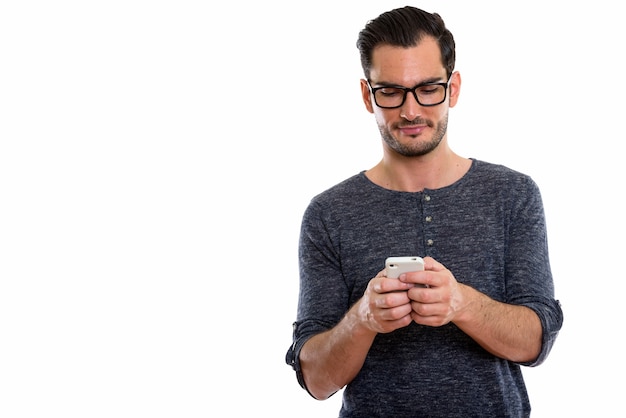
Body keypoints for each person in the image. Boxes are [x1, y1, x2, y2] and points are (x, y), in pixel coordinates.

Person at [285, 5, 563, 418]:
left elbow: (536, 343)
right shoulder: (329, 213)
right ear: (367, 95)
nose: (411, 110)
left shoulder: (512, 194)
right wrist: (363, 319)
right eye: (391, 92)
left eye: (428, 88)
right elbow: (317, 379)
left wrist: (462, 305)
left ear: (453, 88)